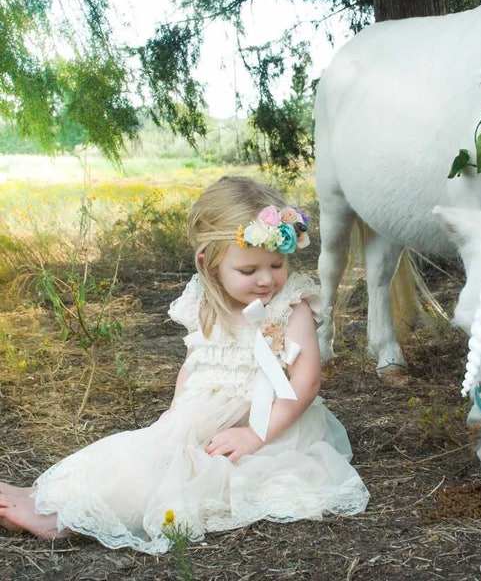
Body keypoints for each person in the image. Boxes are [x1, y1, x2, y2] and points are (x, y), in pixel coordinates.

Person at [0, 176, 370, 554]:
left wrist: (255, 435)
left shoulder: (290, 306)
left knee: (183, 475)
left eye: (276, 264)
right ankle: (46, 495)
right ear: (208, 265)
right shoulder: (205, 303)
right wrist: (178, 412)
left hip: (267, 424)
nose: (266, 280)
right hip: (206, 412)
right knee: (140, 449)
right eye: (248, 271)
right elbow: (195, 362)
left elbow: (305, 381)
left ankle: (60, 521)